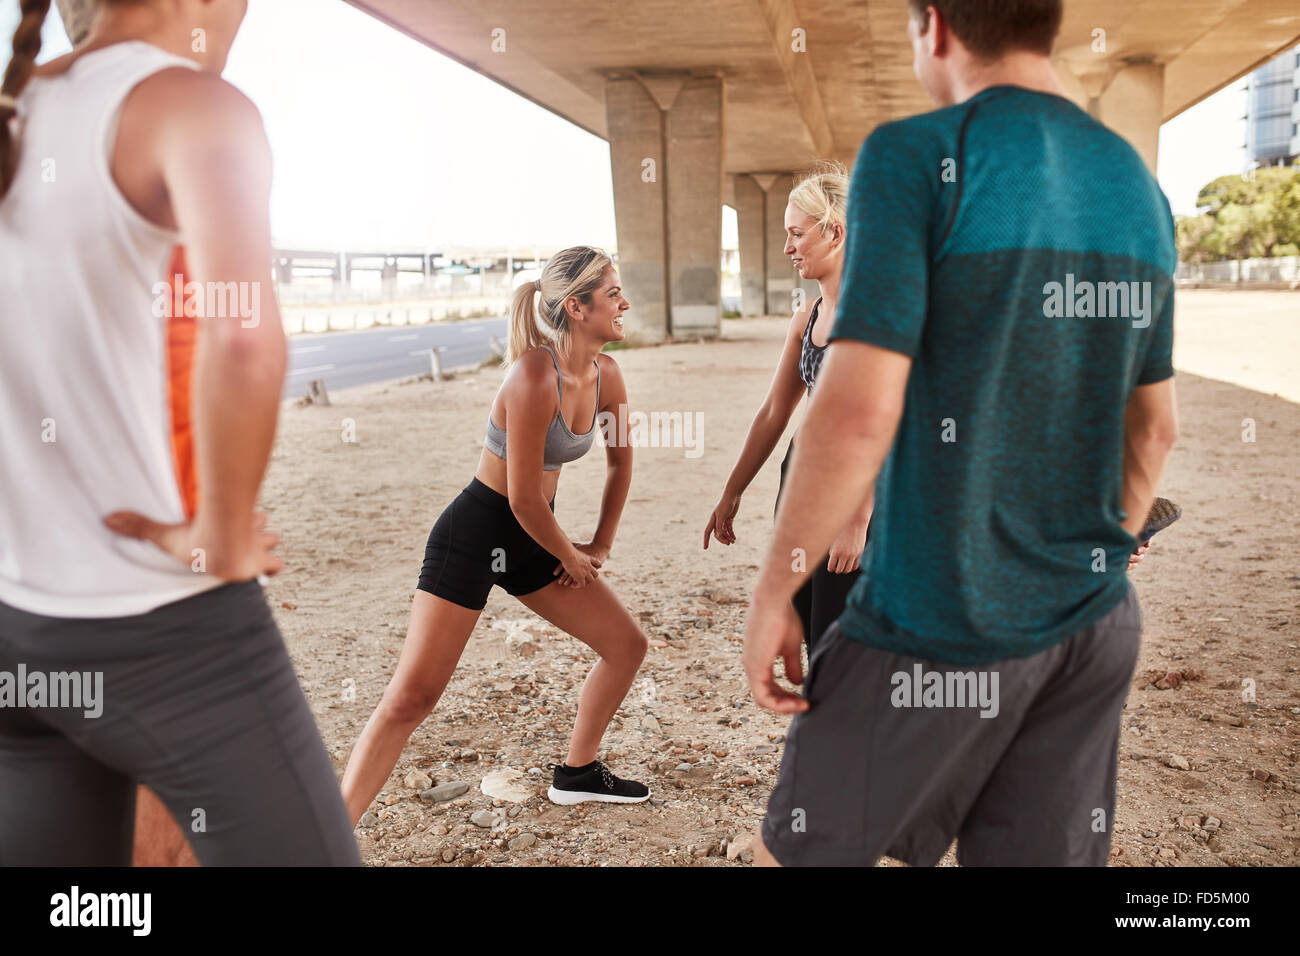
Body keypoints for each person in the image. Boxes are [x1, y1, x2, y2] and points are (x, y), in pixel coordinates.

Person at [742, 0, 1178, 866]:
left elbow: (859, 410)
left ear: (934, 26)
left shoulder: (913, 158)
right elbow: (1155, 430)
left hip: (940, 610)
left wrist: (773, 588)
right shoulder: (1135, 182)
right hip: (1091, 629)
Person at [0, 0, 360, 864]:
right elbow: (242, 337)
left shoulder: (17, 112)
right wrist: (220, 536)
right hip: (163, 631)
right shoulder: (196, 108)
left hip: (19, 627)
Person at [341, 246, 651, 818]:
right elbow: (522, 495)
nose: (624, 302)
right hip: (478, 533)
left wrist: (600, 544)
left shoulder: (607, 374)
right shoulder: (535, 374)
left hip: (537, 538)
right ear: (577, 308)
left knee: (626, 645)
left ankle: (578, 772)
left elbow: (620, 463)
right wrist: (570, 554)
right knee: (412, 697)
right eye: (612, 294)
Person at [704, 164, 870, 653]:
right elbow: (774, 412)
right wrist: (733, 492)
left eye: (797, 233)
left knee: (839, 636)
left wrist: (858, 520)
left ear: (835, 232)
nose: (787, 247)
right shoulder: (809, 315)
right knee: (806, 617)